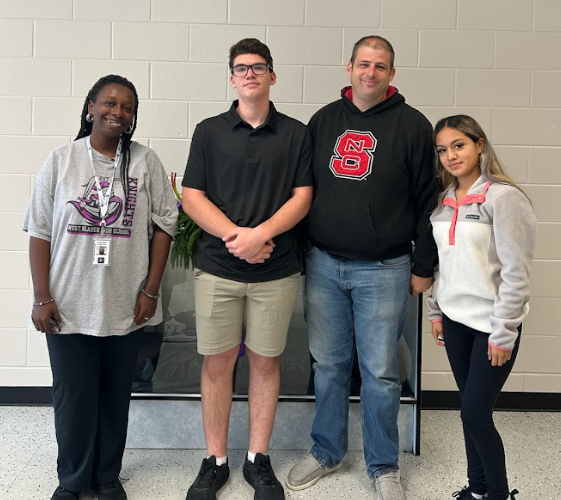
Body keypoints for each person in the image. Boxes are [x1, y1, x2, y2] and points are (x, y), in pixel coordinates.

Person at [287, 36, 438, 499]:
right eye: (364, 64)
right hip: (325, 264)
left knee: (380, 371)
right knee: (329, 365)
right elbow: (301, 190)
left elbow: (427, 202)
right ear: (349, 67)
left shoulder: (414, 126)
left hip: (386, 267)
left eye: (381, 66)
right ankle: (327, 450)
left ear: (392, 74)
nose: (371, 72)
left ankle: (382, 464)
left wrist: (423, 264)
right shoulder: (323, 120)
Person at [23, 75, 178, 500]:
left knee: (114, 398)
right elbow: (39, 230)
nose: (118, 112)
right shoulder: (61, 160)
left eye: (127, 107)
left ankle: (108, 477)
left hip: (126, 306)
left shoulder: (145, 162)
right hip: (68, 304)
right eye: (109, 103)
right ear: (91, 106)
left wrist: (150, 290)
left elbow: (166, 225)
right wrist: (41, 296)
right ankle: (72, 480)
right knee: (73, 400)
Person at [181, 38, 313, 500]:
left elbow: (303, 196)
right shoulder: (208, 131)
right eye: (241, 68)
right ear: (232, 77)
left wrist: (260, 237)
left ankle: (258, 459)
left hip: (275, 272)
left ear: (272, 76)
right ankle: (215, 460)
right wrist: (239, 239)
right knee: (216, 363)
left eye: (259, 67)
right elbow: (192, 195)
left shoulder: (297, 134)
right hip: (218, 268)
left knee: (265, 361)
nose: (250, 74)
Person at [427, 115, 536, 500]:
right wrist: (436, 311)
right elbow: (441, 262)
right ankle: (476, 490)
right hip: (456, 324)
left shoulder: (504, 198)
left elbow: (517, 274)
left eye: (458, 145)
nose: (450, 155)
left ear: (479, 146)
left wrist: (504, 331)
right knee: (468, 413)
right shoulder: (442, 202)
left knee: (475, 414)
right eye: (442, 149)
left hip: (493, 327)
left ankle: (498, 494)